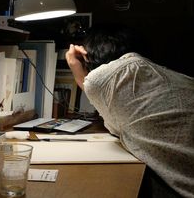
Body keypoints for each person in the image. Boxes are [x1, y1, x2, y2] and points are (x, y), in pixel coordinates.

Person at [65, 23, 194, 198]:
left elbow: (114, 126)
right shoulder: (177, 78)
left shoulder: (107, 77)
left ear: (90, 56)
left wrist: (74, 64)